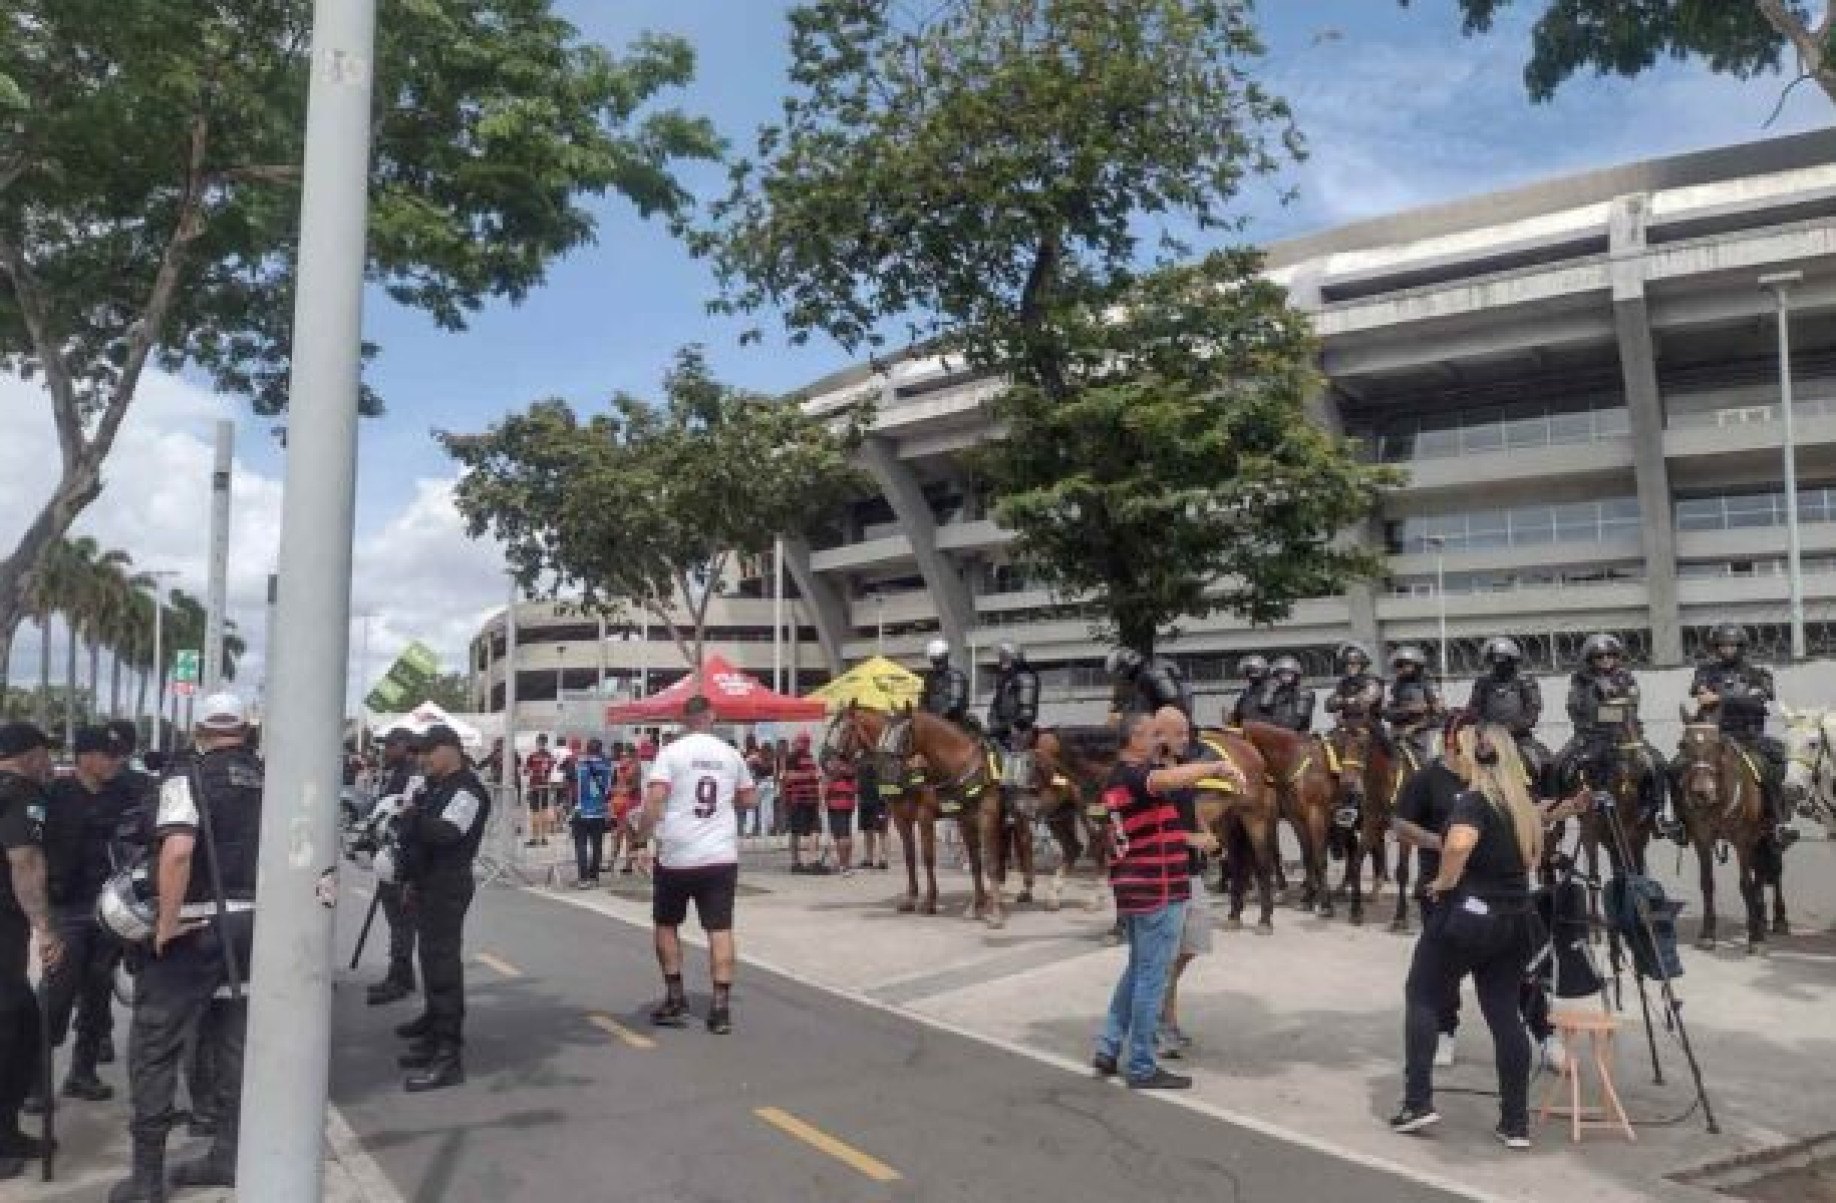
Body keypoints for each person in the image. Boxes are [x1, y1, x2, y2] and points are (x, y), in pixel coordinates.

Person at [112, 694, 262, 1198]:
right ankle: (228, 1157)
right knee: (235, 1045)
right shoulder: (272, 779)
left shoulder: (186, 778)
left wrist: (165, 925)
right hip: (255, 930)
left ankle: (148, 1181)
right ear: (245, 729)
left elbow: (177, 852)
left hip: (197, 929)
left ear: (199, 730)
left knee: (155, 1047)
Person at [1091, 712, 1232, 1090]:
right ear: (1134, 739)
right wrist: (1217, 766)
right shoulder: (1137, 776)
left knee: (1138, 969)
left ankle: (1108, 1046)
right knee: (1152, 977)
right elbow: (1168, 778)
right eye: (1154, 734)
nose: (1161, 741)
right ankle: (1140, 1064)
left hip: (1137, 886)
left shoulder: (1119, 777)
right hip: (1157, 887)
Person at [636, 695, 757, 1034]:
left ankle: (675, 998)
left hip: (677, 854)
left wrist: (640, 836)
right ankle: (720, 1008)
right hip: (719, 855)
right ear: (712, 717)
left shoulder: (671, 753)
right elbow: (750, 797)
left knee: (666, 924)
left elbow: (656, 798)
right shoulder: (731, 754)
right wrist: (724, 801)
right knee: (719, 930)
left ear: (684, 719)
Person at [38, 725, 132, 1103]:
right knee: (56, 997)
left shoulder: (124, 797)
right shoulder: (54, 796)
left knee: (97, 994)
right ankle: (34, 1081)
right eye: (108, 756)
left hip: (108, 911)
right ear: (86, 757)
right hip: (67, 911)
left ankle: (83, 1072)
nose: (115, 762)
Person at [395, 725, 491, 1093]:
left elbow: (448, 833)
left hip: (447, 884)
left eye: (429, 752)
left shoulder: (467, 791)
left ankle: (448, 1056)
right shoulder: (437, 788)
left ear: (451, 749)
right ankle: (436, 1035)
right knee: (432, 962)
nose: (423, 761)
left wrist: (412, 818)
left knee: (443, 967)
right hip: (426, 882)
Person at [0, 722, 58, 1182]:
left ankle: (8, 1131)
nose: (50, 762)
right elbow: (25, 863)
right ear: (29, 755)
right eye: (45, 753)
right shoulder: (23, 794)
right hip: (4, 926)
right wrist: (45, 928)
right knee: (14, 1029)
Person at [1557, 634, 1677, 838]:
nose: (1605, 660)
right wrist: (1611, 711)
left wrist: (1608, 711)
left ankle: (1657, 813)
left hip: (1626, 736)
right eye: (1599, 656)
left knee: (1657, 763)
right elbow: (1578, 710)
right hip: (1591, 737)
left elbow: (1632, 706)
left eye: (1610, 655)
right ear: (1590, 659)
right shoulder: (1580, 682)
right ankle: (1556, 818)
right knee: (1559, 764)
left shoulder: (1625, 677)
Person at [1148, 707, 1215, 1061]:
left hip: (1191, 872)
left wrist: (1204, 829)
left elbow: (1191, 804)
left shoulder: (1182, 769)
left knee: (1190, 948)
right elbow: (1152, 827)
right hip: (1165, 874)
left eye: (1188, 734)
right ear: (1161, 734)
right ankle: (1161, 1024)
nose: (1187, 741)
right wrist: (1192, 839)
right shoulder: (1151, 776)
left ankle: (1164, 1017)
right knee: (1166, 956)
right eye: (1182, 734)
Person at [1690, 622, 1796, 847]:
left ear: (1741, 647)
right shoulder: (1704, 672)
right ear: (1715, 648)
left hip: (1749, 738)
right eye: (1722, 646)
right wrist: (1737, 700)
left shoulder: (1758, 674)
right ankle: (1676, 820)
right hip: (1714, 740)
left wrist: (1719, 699)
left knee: (1773, 765)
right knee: (1677, 765)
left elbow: (1757, 701)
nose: (1727, 650)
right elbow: (1701, 696)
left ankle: (1779, 822)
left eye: (1732, 645)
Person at [367, 728, 423, 1006]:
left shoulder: (412, 775)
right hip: (393, 854)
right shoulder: (402, 772)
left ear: (404, 746)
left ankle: (399, 978)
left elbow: (402, 814)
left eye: (390, 745)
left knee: (401, 921)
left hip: (402, 857)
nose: (386, 751)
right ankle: (401, 975)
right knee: (398, 920)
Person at [1463, 638, 1551, 796]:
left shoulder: (1525, 681)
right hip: (1488, 738)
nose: (1499, 664)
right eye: (1494, 660)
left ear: (1513, 660)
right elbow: (1474, 710)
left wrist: (1511, 728)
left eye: (1503, 660)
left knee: (1544, 762)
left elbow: (1532, 711)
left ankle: (1544, 800)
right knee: (1463, 765)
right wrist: (1485, 730)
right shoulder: (1482, 683)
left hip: (1520, 737)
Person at [1383, 646, 1444, 769]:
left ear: (1417, 665)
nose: (1401, 669)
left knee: (1430, 762)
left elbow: (1440, 713)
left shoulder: (1429, 685)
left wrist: (1415, 727)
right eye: (1399, 665)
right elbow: (1387, 713)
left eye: (1405, 665)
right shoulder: (1395, 687)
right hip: (1398, 732)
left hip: (1424, 733)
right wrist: (1408, 710)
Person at [1104, 647, 1194, 723]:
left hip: (1170, 728)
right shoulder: (1140, 679)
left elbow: (1176, 704)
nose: (1118, 680)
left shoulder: (1153, 675)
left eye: (1118, 675)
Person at [571, 738, 613, 887]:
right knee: (597, 845)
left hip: (581, 810)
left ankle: (583, 879)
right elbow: (609, 790)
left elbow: (571, 785)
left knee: (581, 845)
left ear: (587, 749)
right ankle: (594, 877)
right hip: (599, 811)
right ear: (600, 750)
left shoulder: (579, 765)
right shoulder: (608, 766)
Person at [780, 733, 825, 874]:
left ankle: (813, 861)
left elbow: (816, 776)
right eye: (803, 742)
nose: (806, 745)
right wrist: (811, 775)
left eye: (807, 742)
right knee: (796, 832)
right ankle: (795, 862)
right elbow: (788, 776)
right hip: (797, 800)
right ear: (797, 742)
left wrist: (820, 796)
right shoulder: (792, 757)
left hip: (811, 800)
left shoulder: (810, 757)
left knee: (816, 829)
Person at [1324, 643, 1383, 726]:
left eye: (1354, 664)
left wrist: (1346, 701)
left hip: (1369, 726)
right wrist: (1338, 702)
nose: (1350, 667)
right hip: (1347, 725)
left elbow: (1366, 700)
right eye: (1347, 664)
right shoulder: (1344, 683)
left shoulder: (1372, 681)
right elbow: (1330, 704)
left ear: (1362, 664)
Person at [919, 638, 971, 728]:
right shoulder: (929, 677)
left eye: (939, 660)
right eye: (934, 661)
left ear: (946, 658)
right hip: (932, 722)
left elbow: (955, 703)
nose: (937, 664)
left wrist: (938, 718)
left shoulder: (956, 676)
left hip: (953, 722)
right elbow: (924, 700)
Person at [822, 753, 859, 876]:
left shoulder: (833, 770)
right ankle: (846, 864)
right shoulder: (850, 771)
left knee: (840, 836)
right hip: (848, 805)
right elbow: (856, 787)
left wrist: (823, 800)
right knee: (846, 835)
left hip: (835, 805)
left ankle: (843, 866)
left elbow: (826, 786)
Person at [1263, 656, 1317, 734]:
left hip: (1296, 735)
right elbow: (1263, 710)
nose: (1285, 676)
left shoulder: (1304, 693)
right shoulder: (1274, 692)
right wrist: (1269, 693)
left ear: (1296, 675)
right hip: (1275, 733)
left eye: (1289, 673)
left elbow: (1298, 720)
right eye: (1282, 673)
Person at [855, 755, 889, 871]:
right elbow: (857, 781)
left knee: (881, 830)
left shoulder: (882, 761)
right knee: (868, 830)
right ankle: (869, 858)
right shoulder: (860, 761)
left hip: (879, 803)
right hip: (865, 801)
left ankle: (882, 858)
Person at [524, 733, 556, 847]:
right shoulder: (549, 756)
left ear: (538, 743)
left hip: (535, 786)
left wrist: (532, 771)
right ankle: (542, 837)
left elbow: (526, 770)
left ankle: (536, 837)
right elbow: (553, 771)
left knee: (536, 812)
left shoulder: (533, 756)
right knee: (542, 812)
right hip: (544, 786)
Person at [1226, 655, 1274, 728]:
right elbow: (1238, 713)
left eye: (1254, 671)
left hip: (1267, 732)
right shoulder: (1246, 693)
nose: (1252, 675)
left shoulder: (1272, 690)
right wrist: (1232, 718)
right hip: (1248, 731)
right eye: (1249, 671)